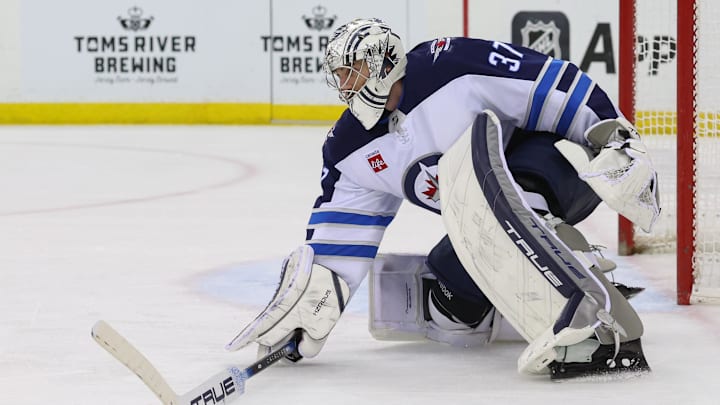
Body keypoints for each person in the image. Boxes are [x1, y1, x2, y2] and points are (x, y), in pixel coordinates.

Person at [226, 18, 660, 380]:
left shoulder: (449, 65)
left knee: (516, 197)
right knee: (448, 302)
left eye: (353, 70)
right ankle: (527, 295)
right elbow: (342, 237)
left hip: (563, 164)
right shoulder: (347, 150)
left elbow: (548, 84)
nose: (346, 84)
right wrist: (312, 303)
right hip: (488, 215)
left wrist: (612, 132)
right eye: (340, 76)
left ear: (382, 63)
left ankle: (593, 316)